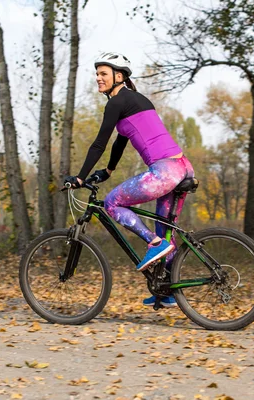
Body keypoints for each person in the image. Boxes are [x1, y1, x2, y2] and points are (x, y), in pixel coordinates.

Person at [63, 52, 194, 308]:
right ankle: (166, 290)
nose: (98, 78)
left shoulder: (116, 103)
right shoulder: (134, 100)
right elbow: (121, 140)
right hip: (182, 168)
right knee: (165, 229)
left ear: (118, 76)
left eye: (103, 73)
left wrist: (80, 177)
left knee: (113, 203)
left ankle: (154, 244)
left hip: (165, 171)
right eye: (97, 73)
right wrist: (109, 171)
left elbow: (100, 143)